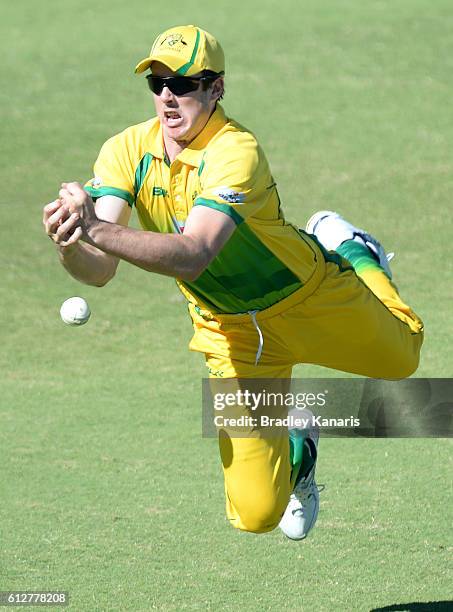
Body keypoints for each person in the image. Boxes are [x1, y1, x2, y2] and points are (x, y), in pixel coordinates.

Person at [42, 25, 424, 540]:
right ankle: (300, 441)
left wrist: (94, 227)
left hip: (307, 298)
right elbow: (99, 269)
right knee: (256, 515)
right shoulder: (126, 150)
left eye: (184, 83)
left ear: (215, 89)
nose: (168, 96)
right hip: (231, 334)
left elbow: (194, 254)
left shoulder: (234, 150)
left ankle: (355, 251)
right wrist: (71, 240)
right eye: (157, 83)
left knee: (404, 358)